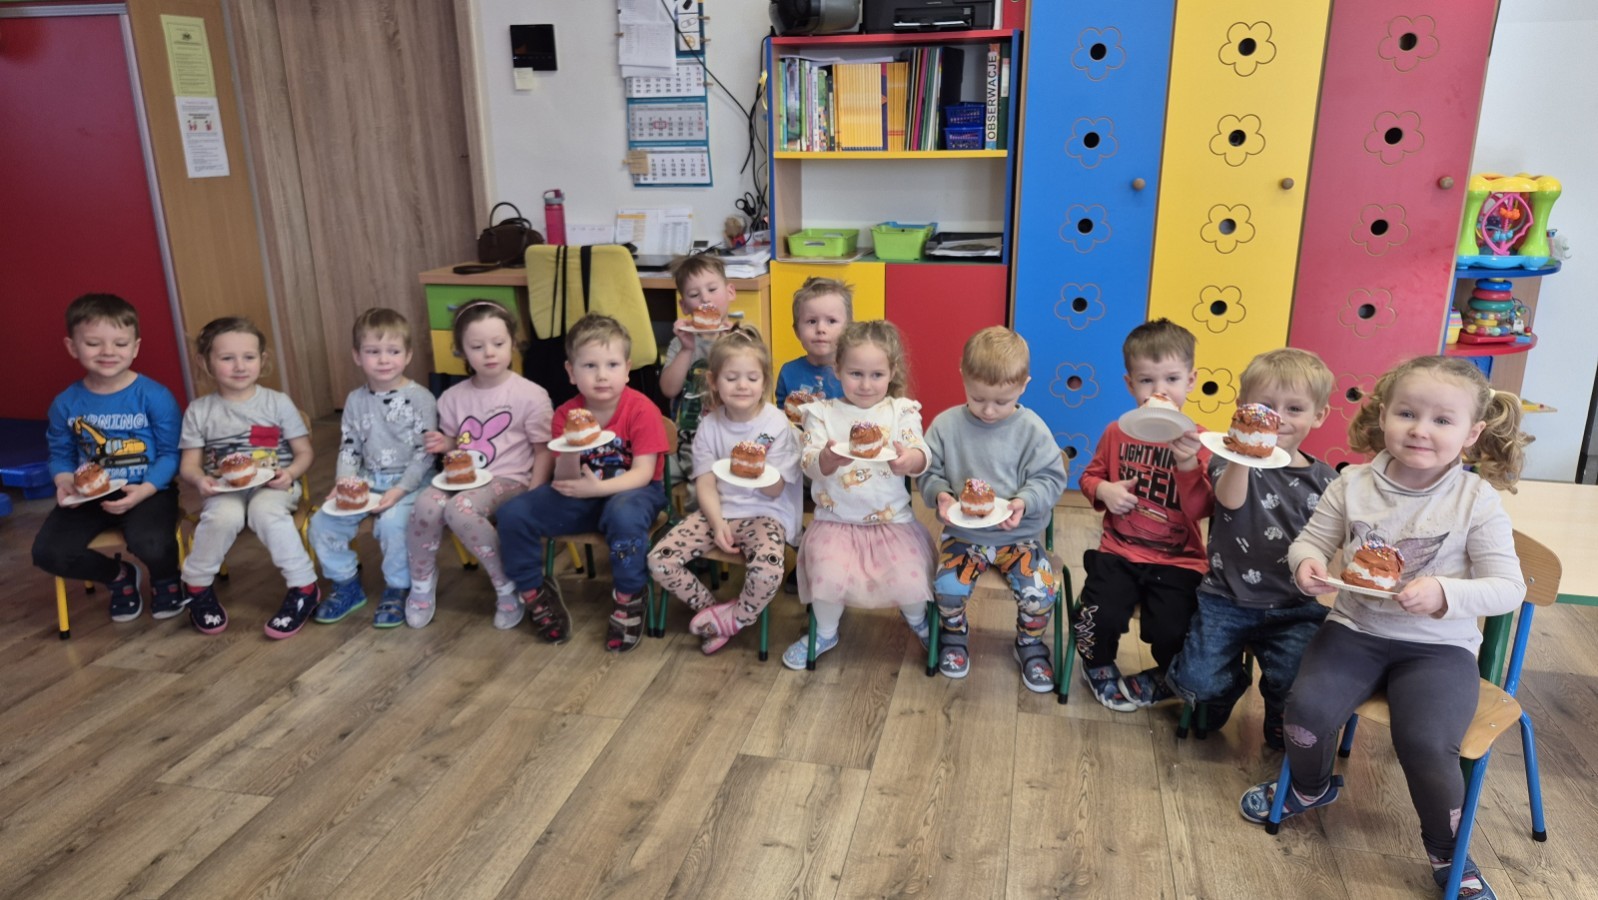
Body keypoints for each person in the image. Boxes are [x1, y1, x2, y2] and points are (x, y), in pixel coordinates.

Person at [1239, 356, 1528, 900]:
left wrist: (1445, 593)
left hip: (1438, 649)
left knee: (1426, 743)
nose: (1421, 430)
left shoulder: (1476, 501)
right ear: (1384, 415)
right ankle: (1311, 788)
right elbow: (1311, 542)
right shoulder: (1353, 482)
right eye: (1407, 413)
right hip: (1354, 630)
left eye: (1442, 420)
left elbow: (1509, 587)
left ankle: (1447, 851)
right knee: (1304, 715)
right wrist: (1306, 565)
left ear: (1472, 433)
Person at [1164, 349, 1337, 747]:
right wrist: (1244, 449)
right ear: (1242, 407)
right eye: (1265, 407)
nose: (1277, 419)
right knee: (1196, 681)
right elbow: (1230, 500)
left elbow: (1336, 536)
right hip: (1227, 599)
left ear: (1319, 416)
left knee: (1296, 678)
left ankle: (1279, 715)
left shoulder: (1327, 481)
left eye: (1294, 409)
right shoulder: (1226, 458)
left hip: (1294, 606)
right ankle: (1224, 690)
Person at [497, 314, 668, 652]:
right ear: (571, 372)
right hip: (580, 494)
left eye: (611, 365)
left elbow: (644, 473)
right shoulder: (566, 414)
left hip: (634, 493)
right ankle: (534, 592)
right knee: (512, 513)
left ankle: (629, 595)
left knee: (623, 515)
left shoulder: (641, 410)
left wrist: (599, 489)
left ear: (627, 369)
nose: (601, 375)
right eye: (590, 365)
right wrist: (572, 446)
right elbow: (564, 478)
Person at [1075, 318, 1213, 710]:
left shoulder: (1199, 441)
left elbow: (1202, 509)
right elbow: (1089, 476)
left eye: (1172, 379)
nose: (1159, 391)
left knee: (1174, 627)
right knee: (1097, 615)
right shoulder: (1116, 432)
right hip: (1119, 551)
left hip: (1179, 560)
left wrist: (1187, 466)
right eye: (1147, 381)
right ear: (1129, 384)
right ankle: (1097, 664)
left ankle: (1169, 674)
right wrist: (1104, 490)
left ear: (1191, 380)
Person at [921, 327, 1068, 691]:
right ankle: (954, 634)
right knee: (947, 589)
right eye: (977, 398)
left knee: (1041, 592)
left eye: (1002, 402)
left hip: (1019, 538)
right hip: (963, 535)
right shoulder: (946, 426)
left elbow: (1051, 479)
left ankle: (1029, 643)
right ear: (963, 376)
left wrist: (1024, 501)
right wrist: (940, 495)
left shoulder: (1032, 430)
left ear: (1024, 385)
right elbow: (929, 471)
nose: (988, 410)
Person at [782, 319, 933, 669]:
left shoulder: (900, 411)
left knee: (909, 577)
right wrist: (826, 459)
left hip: (892, 522)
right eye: (855, 374)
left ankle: (918, 621)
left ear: (891, 372)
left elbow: (921, 453)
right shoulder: (821, 414)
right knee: (827, 578)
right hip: (835, 521)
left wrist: (909, 460)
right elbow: (808, 463)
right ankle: (825, 631)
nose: (866, 384)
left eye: (876, 375)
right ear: (837, 369)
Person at [648, 328, 802, 653]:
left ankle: (733, 619)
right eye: (732, 378)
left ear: (764, 381)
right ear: (714, 381)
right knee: (659, 560)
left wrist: (758, 466)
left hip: (764, 514)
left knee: (768, 571)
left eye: (752, 378)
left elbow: (775, 490)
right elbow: (705, 482)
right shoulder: (709, 425)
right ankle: (712, 612)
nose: (742, 385)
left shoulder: (776, 425)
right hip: (718, 511)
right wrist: (717, 523)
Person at [31, 293, 184, 622]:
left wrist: (146, 490)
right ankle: (119, 576)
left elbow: (171, 454)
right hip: (89, 495)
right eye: (93, 343)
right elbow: (60, 454)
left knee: (151, 542)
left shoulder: (155, 396)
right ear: (72, 347)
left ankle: (167, 579)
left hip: (148, 488)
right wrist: (63, 480)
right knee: (48, 553)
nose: (108, 352)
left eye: (120, 343)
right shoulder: (65, 404)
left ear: (135, 347)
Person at [403, 301, 552, 629]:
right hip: (464, 480)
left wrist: (535, 494)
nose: (489, 353)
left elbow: (544, 451)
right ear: (461, 350)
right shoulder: (452, 397)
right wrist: (444, 443)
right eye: (477, 346)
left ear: (513, 342)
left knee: (460, 510)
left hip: (510, 480)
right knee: (426, 504)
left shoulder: (531, 395)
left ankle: (507, 585)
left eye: (498, 343)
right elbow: (458, 442)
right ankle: (422, 582)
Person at [178, 317, 318, 637]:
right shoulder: (199, 410)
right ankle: (197, 588)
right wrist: (199, 480)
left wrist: (290, 474)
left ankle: (304, 587)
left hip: (275, 486)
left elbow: (305, 453)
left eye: (249, 357)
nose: (240, 366)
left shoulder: (277, 403)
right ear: (205, 362)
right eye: (227, 358)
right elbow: (189, 464)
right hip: (223, 488)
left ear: (262, 360)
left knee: (264, 511)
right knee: (222, 517)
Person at [307, 308, 438, 627]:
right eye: (373, 351)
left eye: (393, 351)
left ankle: (398, 587)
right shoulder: (355, 400)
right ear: (357, 356)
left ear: (407, 355)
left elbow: (425, 454)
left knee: (393, 524)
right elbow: (350, 446)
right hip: (368, 481)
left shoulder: (421, 398)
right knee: (322, 523)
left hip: (412, 482)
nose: (383, 360)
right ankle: (346, 584)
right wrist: (344, 481)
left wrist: (401, 489)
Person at [658, 253, 736, 503]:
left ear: (730, 292)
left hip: (724, 442)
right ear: (684, 306)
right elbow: (668, 389)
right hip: (684, 440)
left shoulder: (741, 341)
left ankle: (702, 517)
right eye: (694, 294)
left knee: (704, 491)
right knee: (651, 475)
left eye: (712, 289)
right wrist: (687, 349)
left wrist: (726, 346)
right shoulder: (680, 344)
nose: (705, 298)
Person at [775, 276, 850, 417]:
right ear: (797, 331)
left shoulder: (855, 373)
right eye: (811, 321)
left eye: (831, 321)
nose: (821, 329)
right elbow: (780, 417)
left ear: (848, 329)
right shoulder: (788, 372)